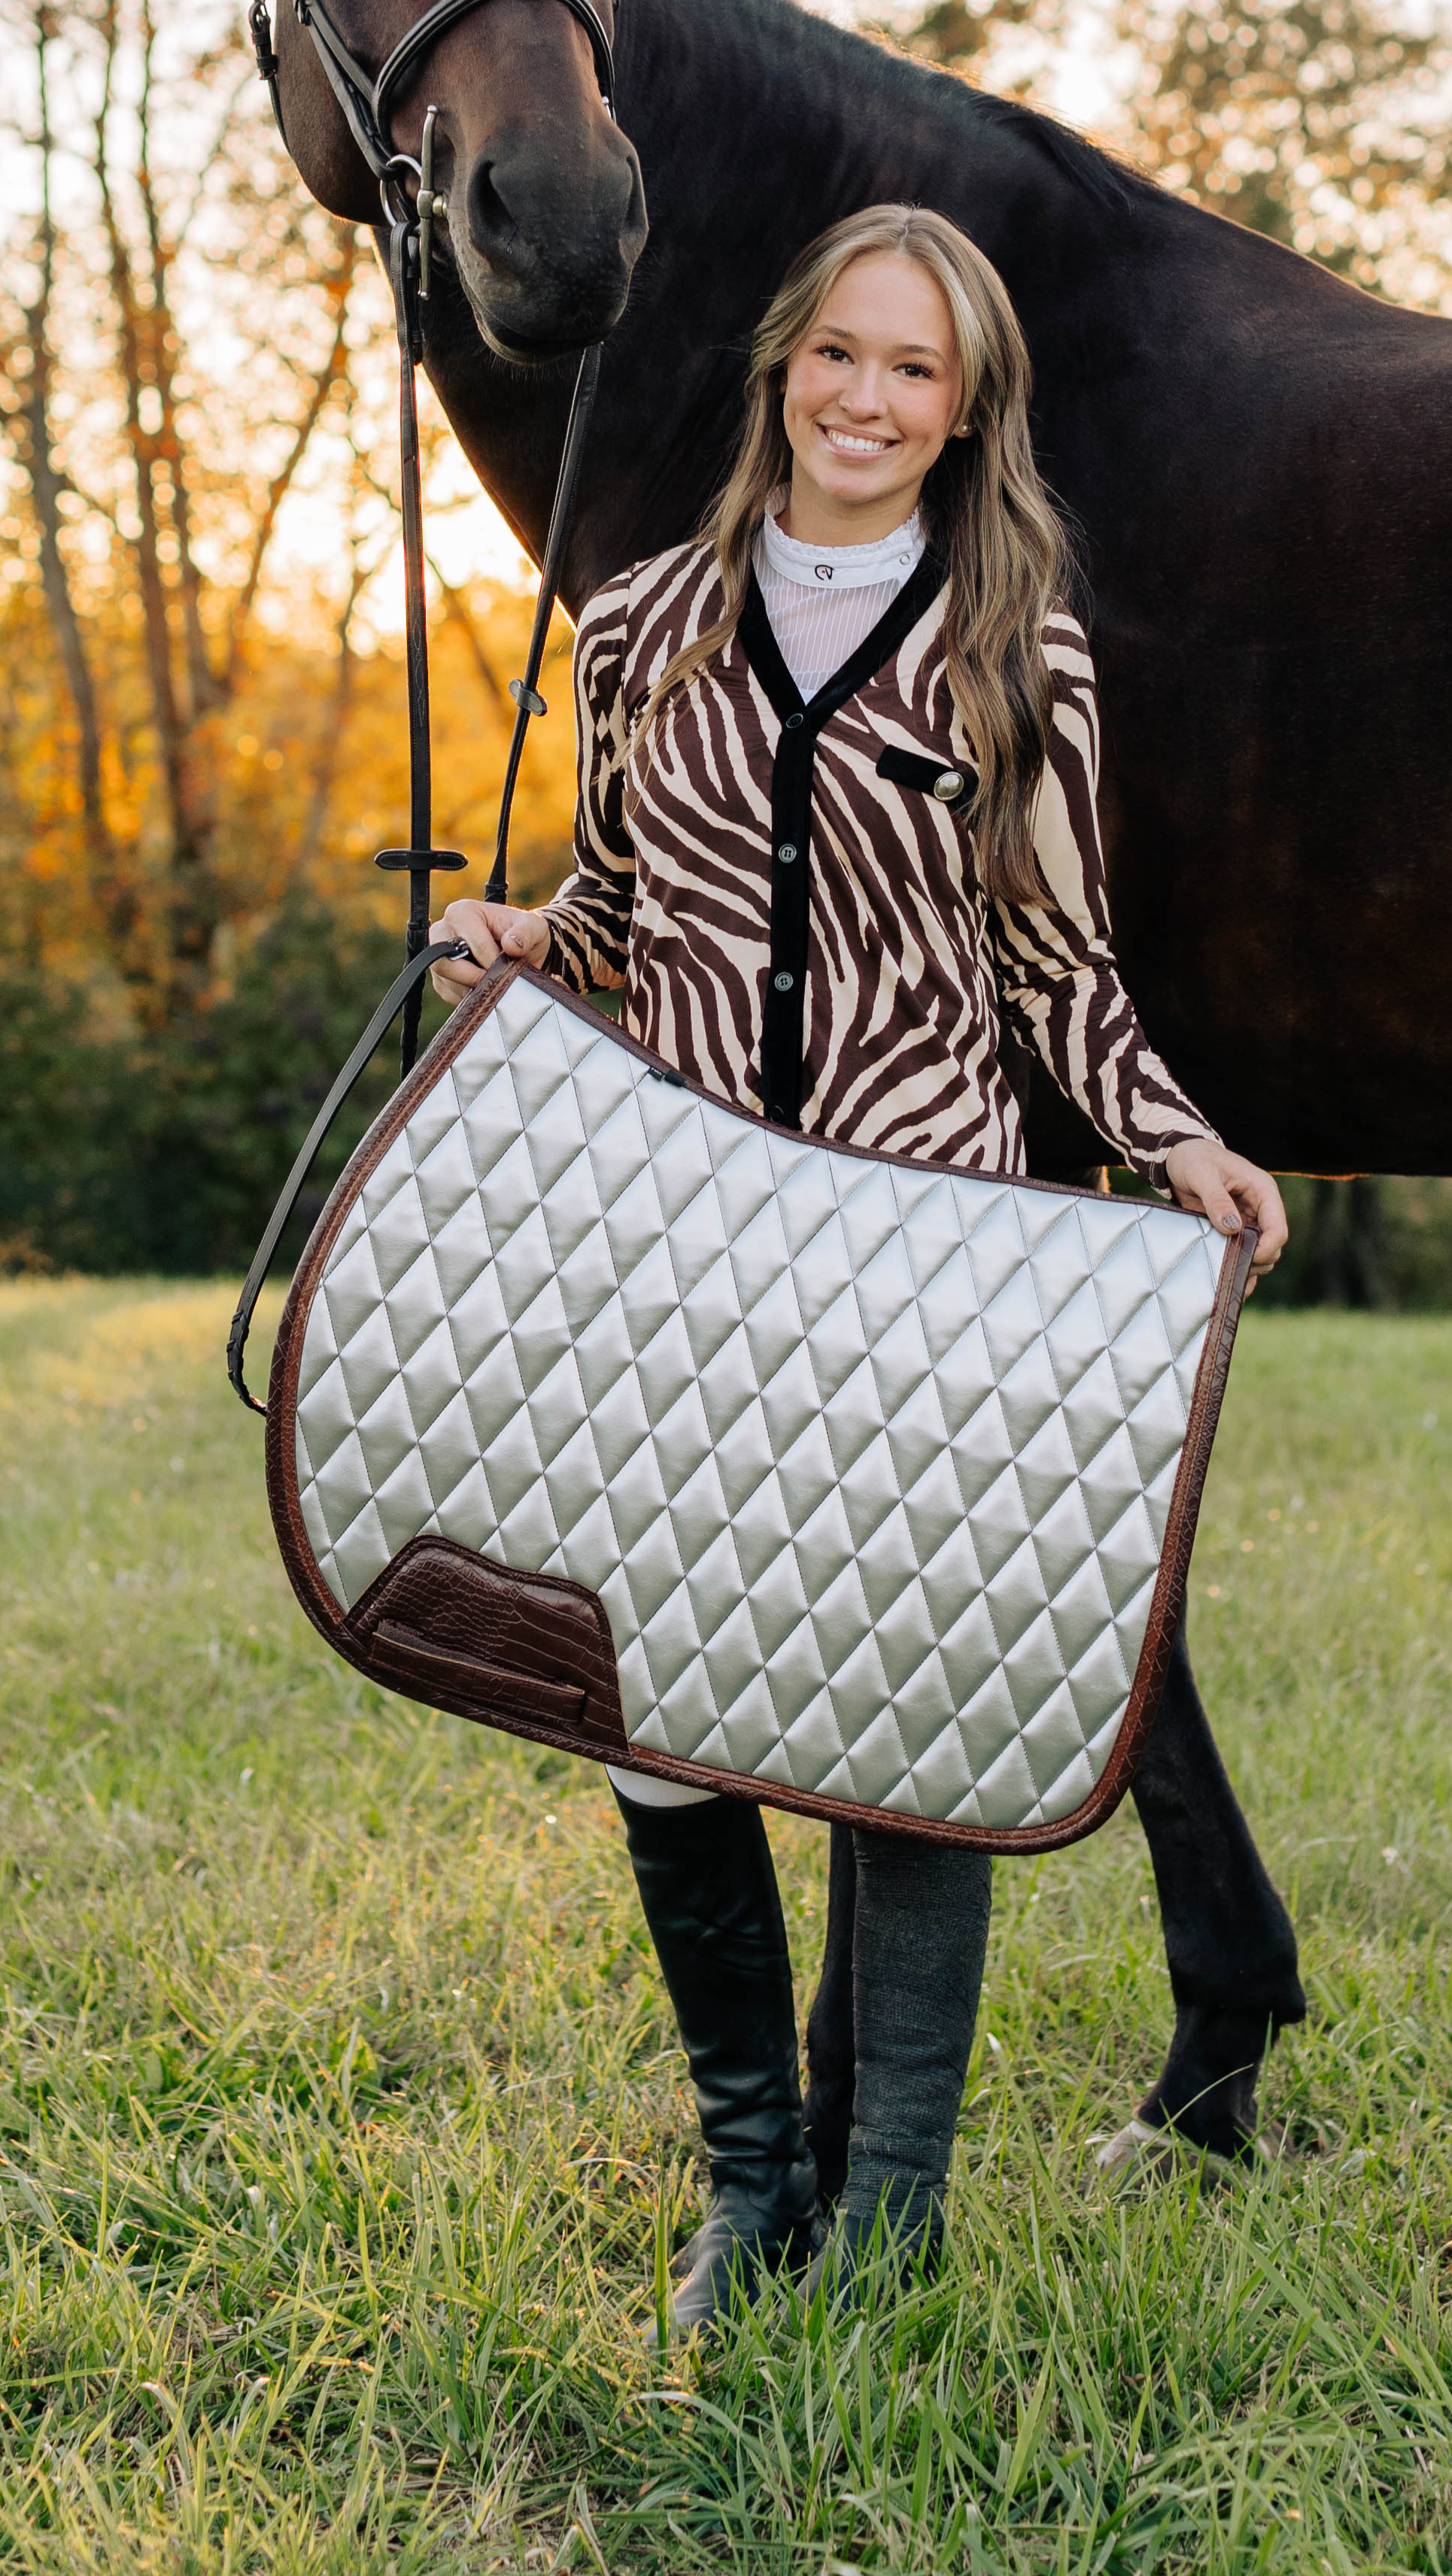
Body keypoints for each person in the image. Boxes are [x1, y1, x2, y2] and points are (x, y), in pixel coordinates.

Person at [436, 203, 1288, 2324]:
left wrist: (1172, 1133)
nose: (868, 398)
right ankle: (754, 2184)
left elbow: (1058, 966)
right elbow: (625, 902)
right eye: (840, 353)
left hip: (924, 1249)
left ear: (968, 408)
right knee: (659, 1708)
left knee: (909, 1716)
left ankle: (890, 2212)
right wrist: (526, 937)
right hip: (678, 1236)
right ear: (782, 368)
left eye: (916, 369)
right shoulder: (644, 621)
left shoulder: (1020, 654)